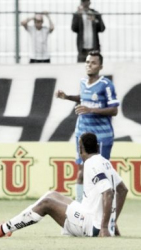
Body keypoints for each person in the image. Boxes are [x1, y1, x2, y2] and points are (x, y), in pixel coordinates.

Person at [0, 132, 128, 238]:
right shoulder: (104, 161)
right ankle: (8, 226)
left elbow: (108, 192)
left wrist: (105, 227)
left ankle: (1, 230)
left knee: (47, 204)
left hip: (92, 227)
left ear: (81, 149)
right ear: (97, 147)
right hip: (91, 216)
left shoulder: (91, 164)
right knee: (51, 195)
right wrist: (113, 221)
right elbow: (123, 190)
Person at [56, 51, 119, 203]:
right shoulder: (83, 82)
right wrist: (67, 97)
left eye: (93, 63)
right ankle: (80, 206)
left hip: (101, 136)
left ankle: (104, 206)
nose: (89, 65)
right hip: (82, 134)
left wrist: (91, 110)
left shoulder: (106, 85)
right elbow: (83, 98)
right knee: (82, 172)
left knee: (100, 172)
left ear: (100, 66)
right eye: (87, 62)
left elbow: (114, 110)